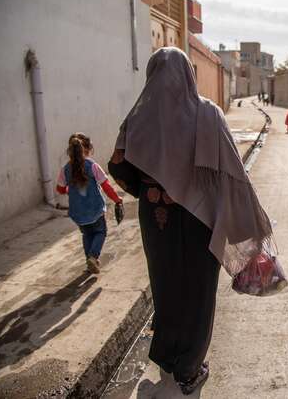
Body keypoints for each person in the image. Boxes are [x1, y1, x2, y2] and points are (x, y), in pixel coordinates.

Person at [108, 47, 274, 395]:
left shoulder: (138, 117)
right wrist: (247, 220)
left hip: (158, 222)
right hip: (201, 221)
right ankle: (189, 370)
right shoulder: (208, 114)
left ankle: (168, 357)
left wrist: (152, 190)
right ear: (188, 75)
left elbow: (119, 167)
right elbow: (233, 172)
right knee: (197, 295)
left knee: (166, 288)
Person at [56, 133, 123, 274]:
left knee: (87, 235)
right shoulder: (92, 166)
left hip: (78, 212)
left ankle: (89, 261)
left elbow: (60, 189)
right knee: (100, 232)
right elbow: (106, 186)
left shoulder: (65, 169)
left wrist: (70, 189)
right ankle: (93, 256)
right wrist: (117, 199)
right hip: (95, 209)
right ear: (86, 149)